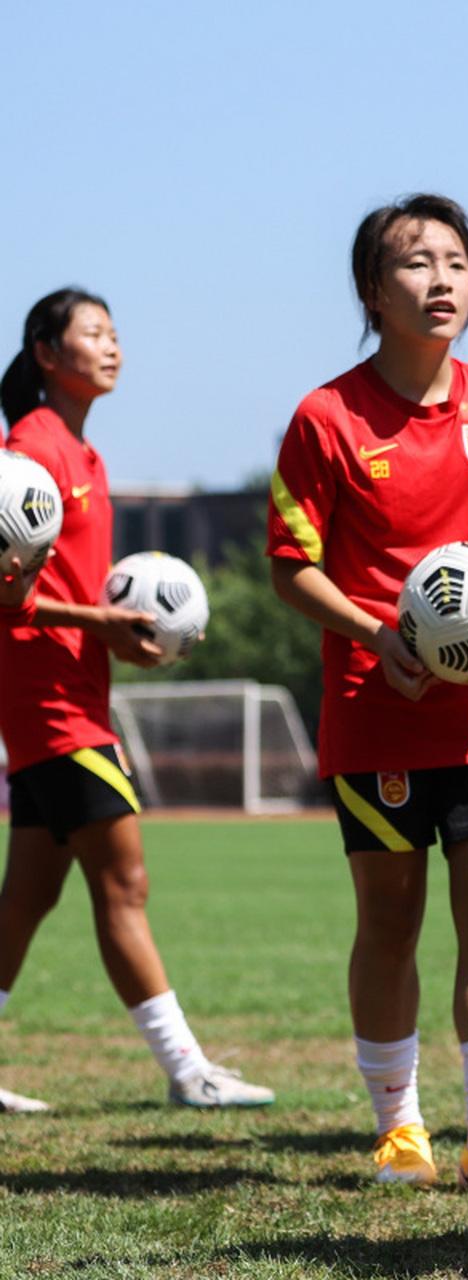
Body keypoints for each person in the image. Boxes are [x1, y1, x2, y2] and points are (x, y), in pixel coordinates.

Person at [267, 195, 468, 1192]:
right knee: (390, 913)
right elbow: (289, 563)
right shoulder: (327, 417)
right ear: (371, 289)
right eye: (414, 263)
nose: (441, 280)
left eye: (456, 261)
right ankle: (400, 1126)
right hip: (377, 702)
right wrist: (375, 630)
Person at [0, 288, 274, 1112]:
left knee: (31, 894)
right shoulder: (29, 451)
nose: (112, 347)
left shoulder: (82, 452)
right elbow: (6, 595)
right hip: (50, 702)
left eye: (116, 334)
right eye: (93, 334)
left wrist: (110, 634)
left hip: (73, 690)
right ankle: (189, 1069)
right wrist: (103, 622)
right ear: (47, 353)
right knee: (125, 884)